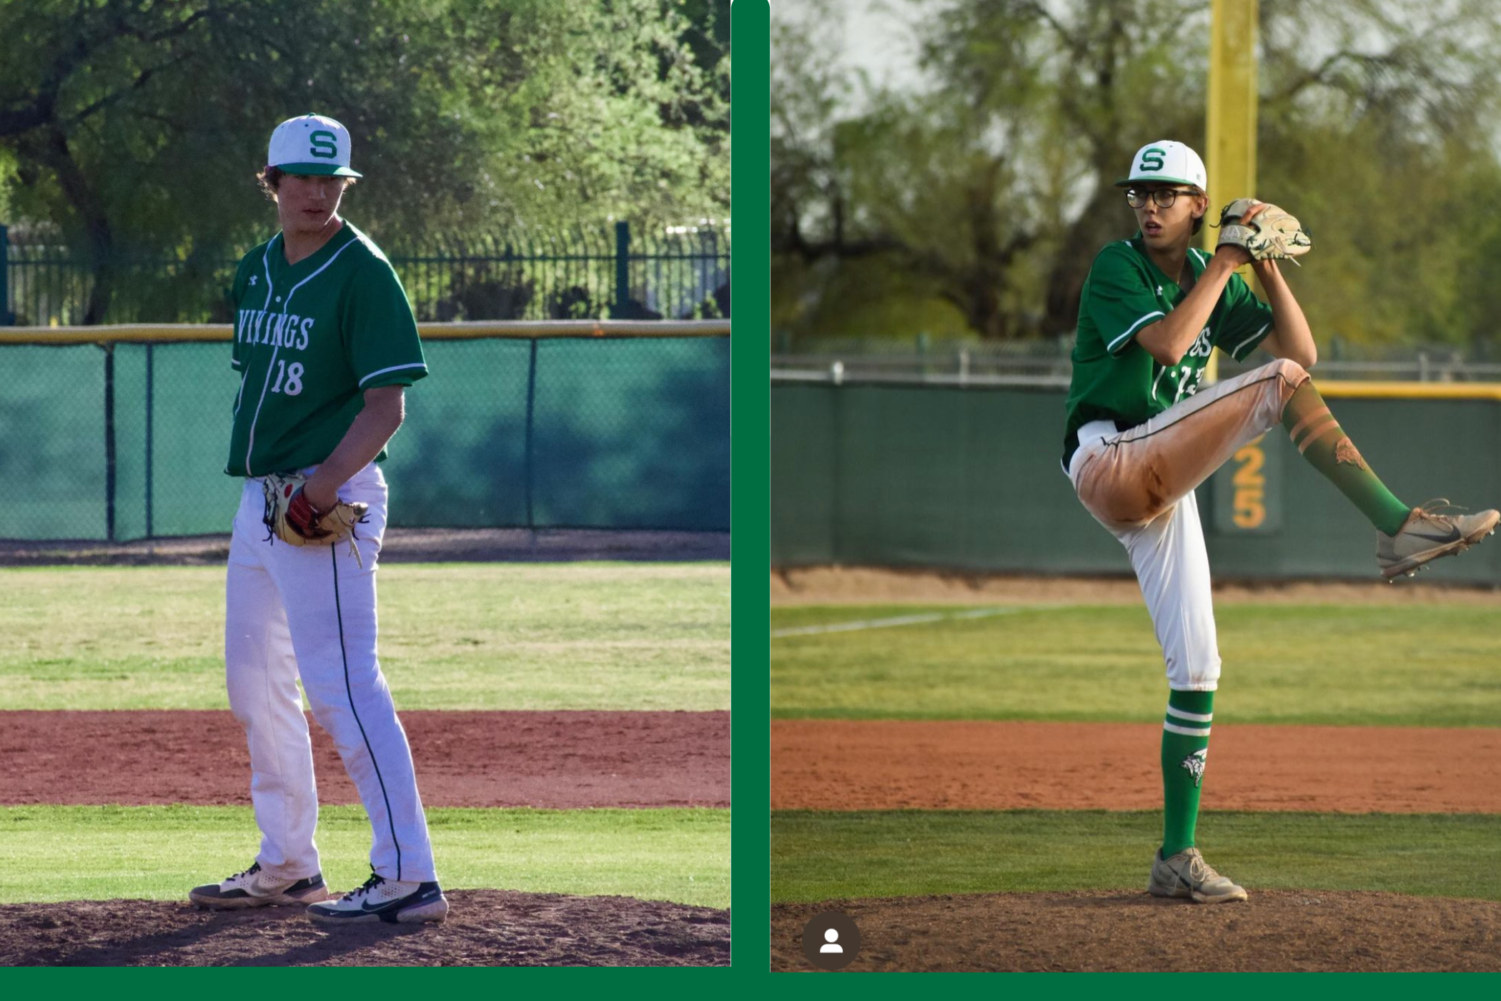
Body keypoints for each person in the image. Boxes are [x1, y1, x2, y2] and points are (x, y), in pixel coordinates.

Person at [1062, 140, 1498, 904]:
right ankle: (1396, 526)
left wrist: (1261, 262)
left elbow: (1300, 352)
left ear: (1199, 205)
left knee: (1197, 670)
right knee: (1273, 384)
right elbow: (1166, 342)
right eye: (1141, 193)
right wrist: (1227, 261)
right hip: (1109, 458)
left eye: (1166, 194)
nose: (1150, 205)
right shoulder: (1116, 266)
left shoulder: (1210, 273)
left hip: (1158, 478)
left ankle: (1175, 855)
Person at [188, 113, 447, 925]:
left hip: (326, 497)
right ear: (270, 180)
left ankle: (407, 873)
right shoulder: (257, 269)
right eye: (299, 176)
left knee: (342, 685)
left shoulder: (363, 272)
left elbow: (386, 405)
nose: (315, 191)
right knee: (255, 681)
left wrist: (326, 486)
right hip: (260, 498)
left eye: (330, 178)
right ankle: (289, 861)